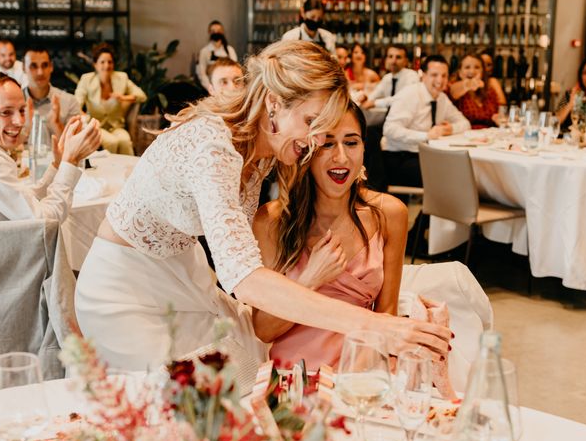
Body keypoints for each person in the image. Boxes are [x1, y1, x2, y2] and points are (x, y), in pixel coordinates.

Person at [74, 40, 451, 373]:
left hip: (181, 271)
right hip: (124, 288)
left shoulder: (264, 150)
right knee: (174, 401)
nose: (315, 139)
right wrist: (378, 327)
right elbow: (247, 278)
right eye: (310, 122)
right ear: (273, 102)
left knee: (235, 380)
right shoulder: (213, 147)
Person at [252, 103, 409, 370]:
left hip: (359, 371)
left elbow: (386, 314)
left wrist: (363, 380)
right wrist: (310, 279)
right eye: (327, 144)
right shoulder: (272, 221)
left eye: (351, 142)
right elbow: (263, 330)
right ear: (307, 150)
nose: (341, 157)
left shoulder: (390, 214)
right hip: (295, 378)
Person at [0, 71, 101, 223]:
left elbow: (24, 199)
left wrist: (57, 164)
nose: (19, 121)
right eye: (6, 112)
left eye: (22, 110)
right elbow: (44, 222)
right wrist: (71, 161)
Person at [383, 54, 470, 188]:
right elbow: (389, 129)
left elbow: (465, 124)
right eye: (434, 75)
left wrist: (448, 129)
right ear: (423, 76)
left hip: (425, 156)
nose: (440, 80)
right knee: (448, 175)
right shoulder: (410, 95)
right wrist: (426, 136)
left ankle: (437, 208)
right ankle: (432, 209)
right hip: (399, 157)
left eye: (444, 76)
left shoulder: (442, 98)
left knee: (460, 169)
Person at [75, 44, 147, 156]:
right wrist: (83, 116)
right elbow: (76, 103)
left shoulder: (122, 78)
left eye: (110, 62)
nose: (107, 65)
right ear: (95, 64)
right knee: (111, 142)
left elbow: (141, 96)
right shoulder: (86, 79)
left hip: (116, 126)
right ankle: (109, 171)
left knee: (125, 141)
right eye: (102, 62)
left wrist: (122, 97)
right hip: (96, 126)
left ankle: (129, 172)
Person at [23, 47, 81, 136]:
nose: (40, 72)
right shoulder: (11, 103)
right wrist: (26, 127)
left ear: (51, 67)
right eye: (33, 66)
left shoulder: (70, 102)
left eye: (45, 65)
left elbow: (75, 145)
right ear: (23, 68)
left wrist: (56, 124)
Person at [449, 54, 500, 129]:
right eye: (467, 67)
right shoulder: (455, 87)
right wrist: (470, 84)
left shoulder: (489, 91)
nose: (472, 71)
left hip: (488, 136)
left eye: (477, 67)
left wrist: (497, 119)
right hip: (463, 137)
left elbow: (498, 113)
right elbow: (453, 91)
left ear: (483, 71)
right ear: (460, 72)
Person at [361, 45, 419, 109]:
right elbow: (375, 94)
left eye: (398, 57)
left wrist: (375, 103)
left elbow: (401, 99)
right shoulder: (387, 78)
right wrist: (366, 98)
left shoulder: (412, 76)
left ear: (406, 61)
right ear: (386, 59)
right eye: (390, 56)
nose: (393, 61)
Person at [196, 20, 238, 92]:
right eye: (213, 31)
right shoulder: (204, 51)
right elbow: (201, 73)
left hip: (228, 89)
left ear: (222, 32)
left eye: (218, 30)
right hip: (211, 89)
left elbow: (235, 70)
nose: (216, 32)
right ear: (209, 32)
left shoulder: (230, 50)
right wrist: (210, 88)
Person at [555, 58, 586, 127]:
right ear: (580, 76)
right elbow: (555, 122)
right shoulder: (570, 93)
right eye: (585, 73)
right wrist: (570, 103)